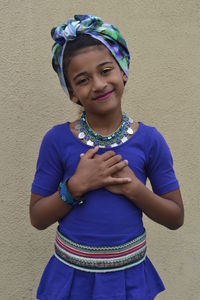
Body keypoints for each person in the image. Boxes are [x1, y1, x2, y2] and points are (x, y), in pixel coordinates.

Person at [30, 14, 184, 300]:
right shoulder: (56, 140)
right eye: (83, 80)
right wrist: (74, 187)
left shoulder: (150, 140)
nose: (99, 84)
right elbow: (37, 218)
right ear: (72, 93)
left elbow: (175, 217)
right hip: (71, 281)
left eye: (106, 70)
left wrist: (135, 190)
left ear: (123, 70)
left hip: (128, 282)